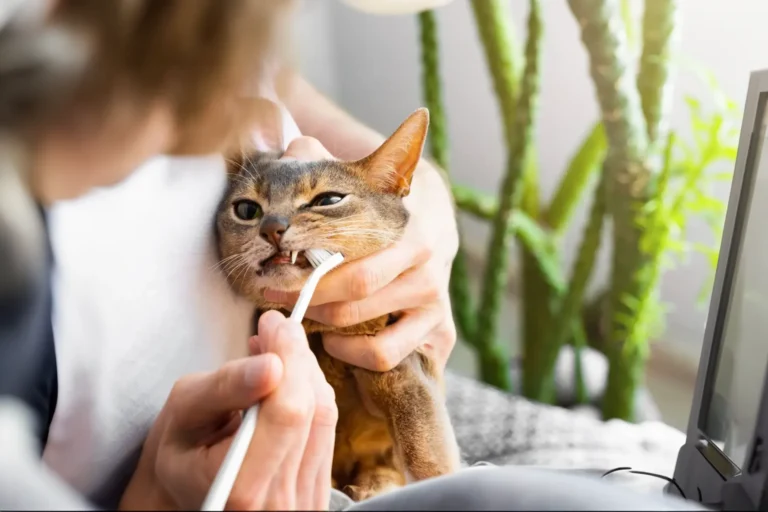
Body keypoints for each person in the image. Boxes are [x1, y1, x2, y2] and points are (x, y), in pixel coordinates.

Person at [0, 1, 705, 510]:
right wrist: (152, 497)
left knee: (654, 467)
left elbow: (272, 81)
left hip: (369, 382)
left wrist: (416, 197)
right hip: (229, 467)